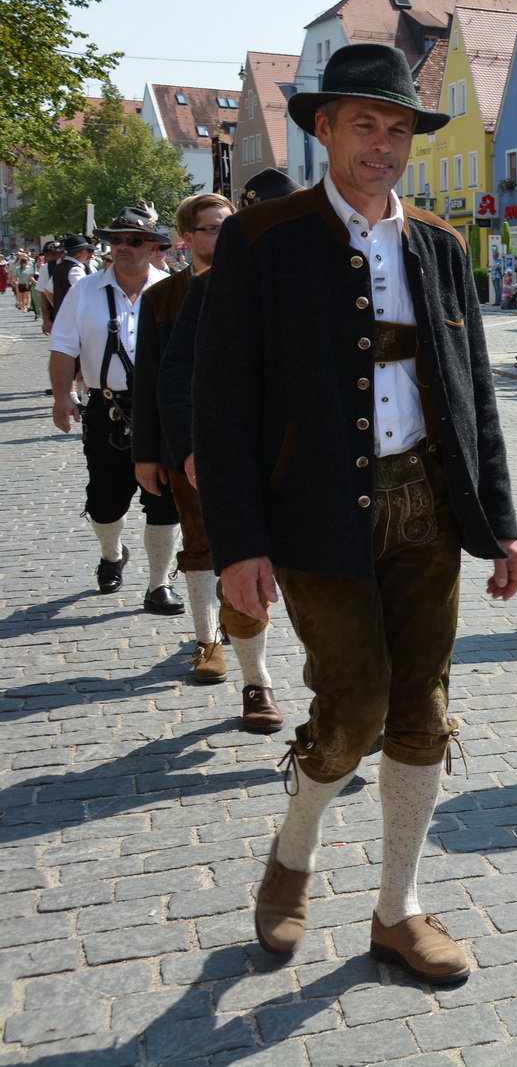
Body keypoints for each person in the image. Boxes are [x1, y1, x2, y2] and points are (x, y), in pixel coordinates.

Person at [193, 43, 517, 984]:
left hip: (426, 506)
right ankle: (292, 852)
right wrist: (240, 542)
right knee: (352, 710)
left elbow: (473, 395)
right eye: (365, 124)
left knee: (423, 711)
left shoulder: (441, 245)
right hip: (314, 511)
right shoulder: (262, 240)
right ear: (325, 129)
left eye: (399, 128)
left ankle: (397, 909)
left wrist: (497, 521)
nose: (384, 144)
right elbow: (221, 408)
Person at [153, 169, 303, 733]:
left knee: (333, 586)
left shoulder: (341, 273)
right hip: (243, 461)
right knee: (243, 578)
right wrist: (193, 448)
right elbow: (177, 372)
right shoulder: (215, 285)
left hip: (322, 466)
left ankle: (341, 695)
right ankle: (256, 680)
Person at [130, 193, 269, 709]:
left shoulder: (255, 286)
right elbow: (152, 379)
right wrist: (147, 451)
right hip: (182, 447)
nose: (222, 237)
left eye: (228, 227)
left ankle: (249, 650)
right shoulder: (164, 298)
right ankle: (207, 639)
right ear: (187, 237)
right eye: (211, 229)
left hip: (252, 445)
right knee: (200, 546)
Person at [48, 208, 181, 612]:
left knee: (164, 500)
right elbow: (62, 347)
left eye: (134, 240)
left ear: (154, 247)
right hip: (107, 409)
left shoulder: (172, 288)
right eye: (117, 240)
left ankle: (158, 584)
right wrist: (61, 396)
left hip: (160, 410)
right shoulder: (85, 289)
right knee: (105, 501)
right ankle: (112, 553)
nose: (123, 247)